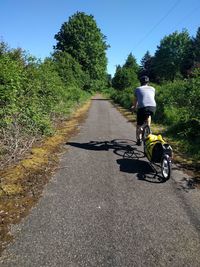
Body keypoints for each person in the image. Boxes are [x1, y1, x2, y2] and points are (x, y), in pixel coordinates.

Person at [132, 75, 156, 146]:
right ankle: (148, 127)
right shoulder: (153, 88)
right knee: (148, 115)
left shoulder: (137, 89)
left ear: (140, 82)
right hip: (152, 107)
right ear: (148, 82)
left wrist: (134, 107)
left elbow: (136, 101)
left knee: (138, 125)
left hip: (142, 108)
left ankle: (139, 139)